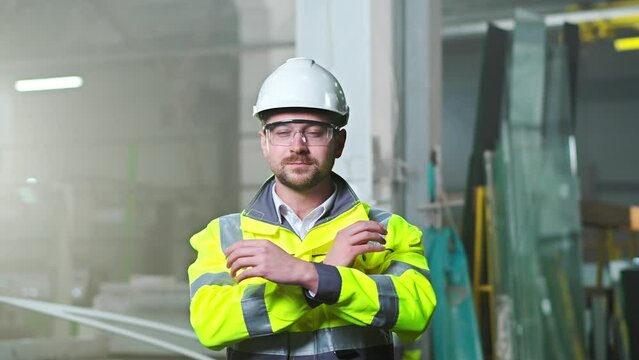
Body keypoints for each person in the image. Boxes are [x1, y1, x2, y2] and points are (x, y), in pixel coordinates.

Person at [188, 57, 436, 359]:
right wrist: (318, 278)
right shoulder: (224, 236)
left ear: (339, 142)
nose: (298, 146)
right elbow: (211, 326)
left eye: (315, 131)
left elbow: (415, 314)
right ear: (264, 142)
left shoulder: (387, 230)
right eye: (282, 132)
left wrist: (312, 275)